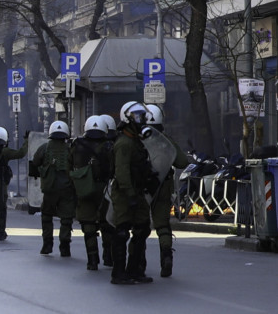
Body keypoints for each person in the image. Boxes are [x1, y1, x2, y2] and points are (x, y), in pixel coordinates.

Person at [109, 102, 155, 285]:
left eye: (142, 116)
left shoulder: (136, 142)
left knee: (142, 228)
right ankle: (118, 273)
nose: (141, 120)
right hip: (125, 193)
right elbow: (121, 172)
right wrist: (129, 195)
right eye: (137, 117)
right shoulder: (124, 144)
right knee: (122, 232)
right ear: (127, 119)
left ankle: (135, 270)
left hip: (137, 191)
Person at [145, 104, 191, 278]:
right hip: (163, 187)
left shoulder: (137, 139)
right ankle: (166, 256)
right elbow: (181, 162)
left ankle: (138, 263)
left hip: (142, 188)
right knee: (163, 225)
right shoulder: (166, 140)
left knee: (140, 226)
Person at [69, 115, 114, 270]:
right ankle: (109, 255)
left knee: (88, 224)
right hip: (105, 189)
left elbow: (70, 166)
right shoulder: (110, 146)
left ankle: (92, 259)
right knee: (106, 222)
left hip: (84, 188)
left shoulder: (76, 145)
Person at [29, 120, 75, 257]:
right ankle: (65, 246)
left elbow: (35, 163)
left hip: (50, 189)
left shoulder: (45, 148)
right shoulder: (70, 149)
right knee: (66, 218)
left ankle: (47, 244)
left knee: (47, 216)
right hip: (67, 189)